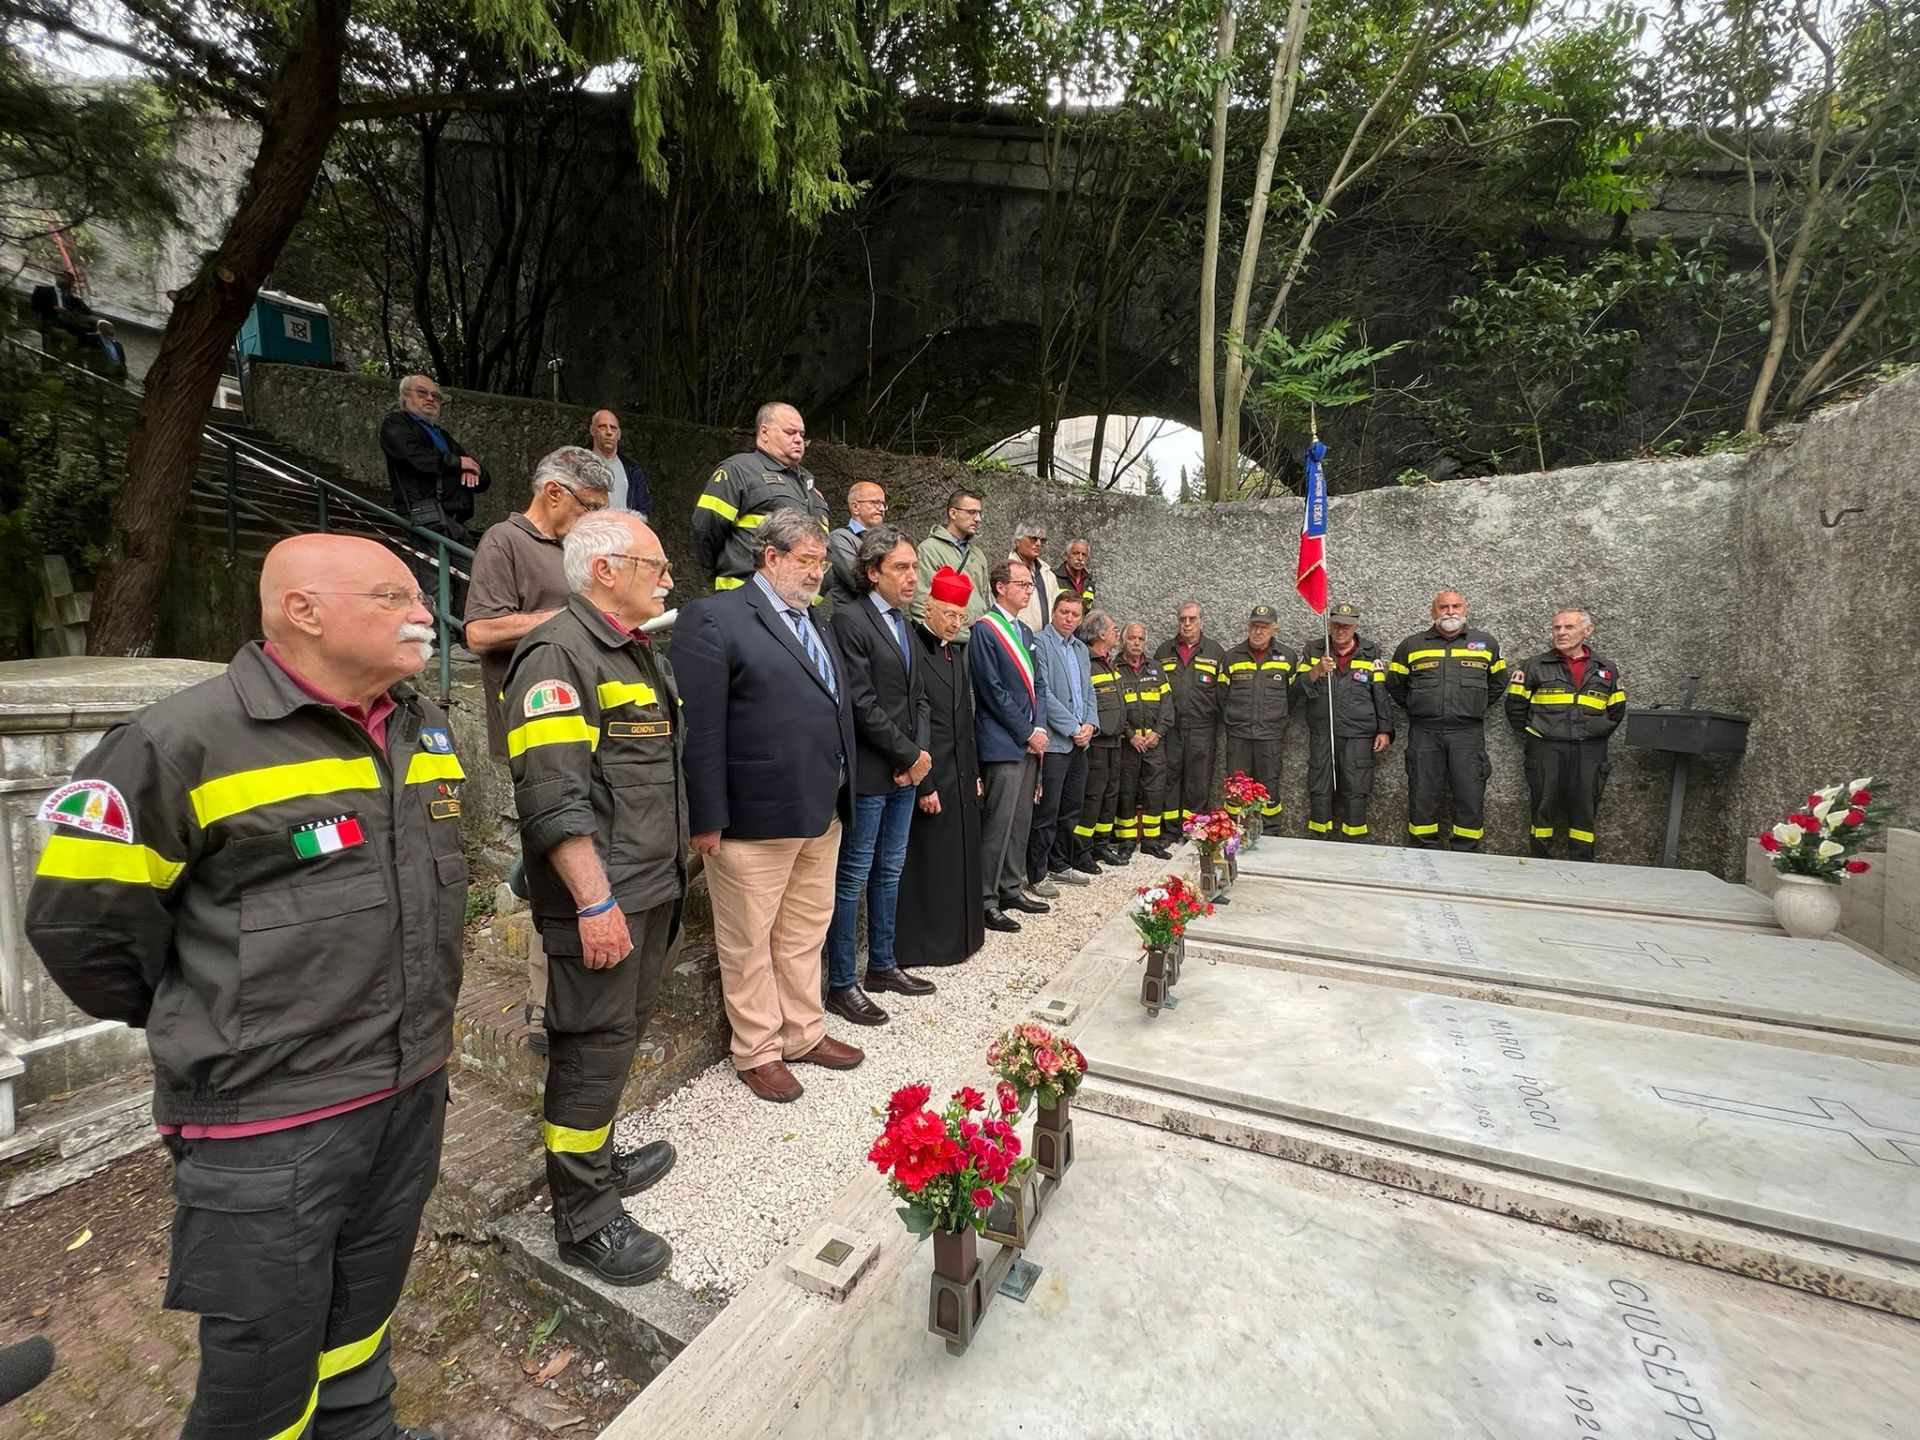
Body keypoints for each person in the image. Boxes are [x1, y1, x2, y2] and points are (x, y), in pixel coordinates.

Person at [26, 533, 463, 1440]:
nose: (424, 613)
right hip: (269, 1118)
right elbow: (83, 927)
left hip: (409, 1086)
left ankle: (361, 1427)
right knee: (263, 1357)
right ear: (302, 611)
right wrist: (213, 1015)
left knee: (364, 1306)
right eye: (393, 596)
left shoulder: (421, 723)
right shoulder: (174, 742)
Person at [503, 512, 684, 1286]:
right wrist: (593, 903)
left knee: (618, 1039)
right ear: (605, 569)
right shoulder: (556, 655)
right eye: (656, 564)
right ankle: (583, 1219)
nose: (669, 578)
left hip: (651, 887)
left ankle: (598, 1161)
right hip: (607, 899)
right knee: (588, 1050)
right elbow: (554, 798)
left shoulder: (633, 652)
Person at [673, 508, 865, 1103]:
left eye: (822, 561)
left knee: (805, 931)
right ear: (770, 557)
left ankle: (804, 1032)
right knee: (748, 939)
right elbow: (700, 728)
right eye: (805, 560)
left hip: (821, 810)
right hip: (752, 817)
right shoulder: (715, 616)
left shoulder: (821, 624)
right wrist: (706, 816)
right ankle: (756, 1049)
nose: (816, 573)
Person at [465, 447, 612, 1054]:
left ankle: (578, 985)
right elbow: (478, 632)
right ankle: (539, 1007)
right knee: (554, 865)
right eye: (590, 507)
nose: (595, 518)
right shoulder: (505, 541)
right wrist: (572, 616)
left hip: (592, 730)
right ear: (555, 493)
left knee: (573, 854)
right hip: (536, 731)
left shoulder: (580, 547)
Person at [823, 524, 936, 1026]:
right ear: (872, 573)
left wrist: (919, 756)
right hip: (872, 773)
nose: (913, 577)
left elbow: (919, 699)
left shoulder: (904, 623)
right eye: (901, 568)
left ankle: (883, 966)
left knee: (890, 871)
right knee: (853, 877)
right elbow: (861, 703)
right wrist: (906, 756)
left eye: (914, 567)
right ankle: (842, 982)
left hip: (906, 772)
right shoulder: (850, 620)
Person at [895, 568, 986, 964]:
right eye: (949, 614)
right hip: (932, 775)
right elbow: (916, 720)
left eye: (960, 617)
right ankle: (927, 945)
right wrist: (926, 784)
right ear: (928, 608)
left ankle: (963, 936)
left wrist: (976, 773)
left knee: (960, 858)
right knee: (929, 862)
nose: (955, 622)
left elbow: (965, 718)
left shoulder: (956, 652)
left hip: (961, 773)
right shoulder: (913, 647)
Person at [1387, 590, 1507, 851]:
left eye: (1456, 606)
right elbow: (1395, 684)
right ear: (1433, 612)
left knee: (1469, 792)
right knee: (1422, 792)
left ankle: (1466, 850)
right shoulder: (1412, 645)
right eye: (1443, 607)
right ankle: (1422, 847)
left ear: (1465, 610)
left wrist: (1475, 707)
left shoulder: (1486, 644)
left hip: (1467, 732)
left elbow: (1498, 683)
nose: (1450, 611)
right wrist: (1417, 707)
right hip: (1424, 731)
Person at [1505, 608, 1627, 861]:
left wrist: (1595, 733)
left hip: (1589, 750)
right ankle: (1540, 859)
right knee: (1543, 806)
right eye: (1556, 628)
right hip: (1546, 748)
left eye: (1568, 627)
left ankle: (1582, 862)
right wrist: (1534, 732)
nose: (1560, 633)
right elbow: (1515, 706)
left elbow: (1616, 710)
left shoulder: (1606, 669)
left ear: (1588, 630)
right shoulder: (1535, 666)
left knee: (1585, 807)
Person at [971, 559, 1051, 933]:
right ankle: (986, 897)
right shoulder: (986, 630)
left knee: (1020, 821)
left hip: (1027, 741)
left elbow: (1039, 686)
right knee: (998, 823)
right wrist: (1026, 731)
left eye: (1031, 585)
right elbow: (992, 691)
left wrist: (1039, 726)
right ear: (1000, 587)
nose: (1028, 590)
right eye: (1021, 584)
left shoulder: (1027, 632)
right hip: (1003, 742)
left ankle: (1010, 885)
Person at [380, 374, 490, 624]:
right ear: (405, 396)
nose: (430, 399)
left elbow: (480, 474)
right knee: (435, 578)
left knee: (468, 574)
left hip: (453, 516)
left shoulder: (442, 435)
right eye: (422, 393)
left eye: (436, 396)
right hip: (424, 510)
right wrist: (456, 463)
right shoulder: (397, 424)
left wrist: (472, 468)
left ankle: (464, 636)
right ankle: (442, 639)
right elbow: (412, 457)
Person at [693, 401, 830, 591]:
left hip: (793, 599)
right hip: (745, 594)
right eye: (790, 432)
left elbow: (822, 547)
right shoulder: (739, 470)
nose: (798, 439)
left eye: (802, 434)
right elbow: (706, 527)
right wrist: (717, 575)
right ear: (764, 432)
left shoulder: (809, 484)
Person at [1295, 601, 1395, 840]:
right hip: (1323, 732)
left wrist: (1385, 729)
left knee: (1356, 789)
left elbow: (1380, 693)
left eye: (1347, 626)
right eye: (1337, 625)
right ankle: (1319, 842)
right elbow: (1296, 689)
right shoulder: (1314, 650)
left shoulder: (1371, 652)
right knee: (1320, 788)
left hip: (1358, 735)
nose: (1342, 630)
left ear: (1355, 626)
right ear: (1330, 625)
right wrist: (1317, 670)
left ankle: (1354, 842)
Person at [1030, 591, 1097, 894]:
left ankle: (1060, 863)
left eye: (1075, 614)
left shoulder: (1082, 649)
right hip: (1056, 742)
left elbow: (1089, 691)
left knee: (1071, 808)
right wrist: (1072, 727)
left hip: (1080, 743)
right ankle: (1037, 871)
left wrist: (1090, 724)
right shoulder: (1039, 643)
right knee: (1048, 810)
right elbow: (1042, 692)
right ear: (1054, 612)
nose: (1069, 618)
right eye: (1064, 612)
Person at [1220, 603, 1296, 825]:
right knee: (1236, 786)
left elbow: (1292, 696)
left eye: (1264, 627)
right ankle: (1234, 831)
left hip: (1270, 736)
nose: (1258, 631)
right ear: (1248, 627)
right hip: (1239, 735)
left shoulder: (1287, 657)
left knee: (1269, 786)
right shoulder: (1232, 657)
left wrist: (1275, 717)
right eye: (1254, 626)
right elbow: (1221, 696)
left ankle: (1270, 831)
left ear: (1275, 629)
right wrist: (1235, 718)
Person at [1154, 601, 1227, 829]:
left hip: (1202, 729)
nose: (1187, 624)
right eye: (1182, 619)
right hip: (1171, 729)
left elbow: (1223, 693)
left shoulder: (1216, 652)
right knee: (1170, 778)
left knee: (1199, 780)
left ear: (1201, 622)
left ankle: (1195, 830)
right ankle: (1171, 829)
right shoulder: (1164, 651)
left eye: (1192, 619)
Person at [1071, 610, 1126, 868]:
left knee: (1109, 796)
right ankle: (1081, 852)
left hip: (1115, 743)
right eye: (1114, 628)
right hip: (1097, 744)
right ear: (1101, 633)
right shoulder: (1086, 661)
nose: (1117, 633)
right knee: (1092, 797)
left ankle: (1100, 845)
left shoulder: (1108, 661)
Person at [1114, 621, 1173, 860]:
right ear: (1123, 641)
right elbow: (1113, 708)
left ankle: (1151, 841)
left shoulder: (1156, 669)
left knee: (1155, 792)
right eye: (1132, 639)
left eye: (1140, 639)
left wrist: (1157, 733)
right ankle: (1127, 840)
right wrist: (1130, 735)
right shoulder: (1114, 667)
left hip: (1153, 742)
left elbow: (1168, 706)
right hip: (1128, 743)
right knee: (1127, 791)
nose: (1136, 643)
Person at [911, 488, 991, 640]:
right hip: (945, 639)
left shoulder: (978, 555)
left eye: (979, 513)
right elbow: (921, 604)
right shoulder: (929, 550)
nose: (978, 518)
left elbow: (985, 599)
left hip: (978, 638)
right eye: (971, 512)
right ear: (953, 513)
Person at [822, 480, 887, 614]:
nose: (881, 508)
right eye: (875, 503)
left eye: (883, 504)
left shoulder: (886, 539)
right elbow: (859, 581)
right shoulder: (839, 538)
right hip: (855, 622)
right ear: (855, 507)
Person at [587, 409, 654, 517]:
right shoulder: (579, 464)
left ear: (619, 434)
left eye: (613, 428)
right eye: (602, 427)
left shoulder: (632, 470)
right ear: (592, 430)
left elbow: (644, 508)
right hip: (591, 530)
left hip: (623, 531)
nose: (609, 432)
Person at [1008, 521, 1062, 633]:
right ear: (1018, 542)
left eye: (1042, 540)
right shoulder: (1006, 571)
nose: (1038, 544)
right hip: (1017, 636)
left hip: (1045, 640)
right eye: (1033, 538)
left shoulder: (1047, 573)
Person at [1056, 538, 1096, 605]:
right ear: (1066, 556)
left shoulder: (1089, 582)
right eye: (1075, 553)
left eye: (1084, 555)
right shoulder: (1053, 578)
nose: (1080, 558)